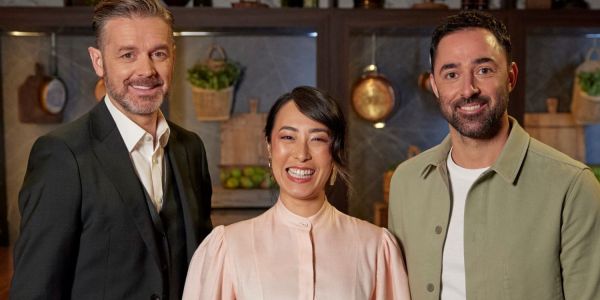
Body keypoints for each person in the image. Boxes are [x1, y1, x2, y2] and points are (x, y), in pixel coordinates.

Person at [388, 10, 600, 300]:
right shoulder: (406, 182)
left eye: (484, 70)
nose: (468, 90)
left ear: (510, 77)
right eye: (451, 74)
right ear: (436, 87)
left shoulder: (573, 187)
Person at [10, 1, 213, 299]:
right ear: (98, 61)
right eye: (127, 54)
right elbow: (36, 290)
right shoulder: (61, 155)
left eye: (158, 53)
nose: (146, 70)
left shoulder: (191, 148)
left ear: (173, 56)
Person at [182, 86, 410, 300]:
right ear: (269, 147)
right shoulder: (227, 248)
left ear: (335, 151)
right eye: (288, 137)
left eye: (318, 139)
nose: (301, 154)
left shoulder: (376, 247)